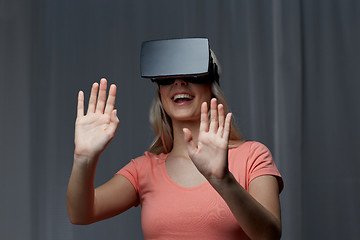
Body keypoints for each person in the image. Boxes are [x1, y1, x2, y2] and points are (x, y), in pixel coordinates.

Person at [67, 38, 283, 240]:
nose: (179, 83)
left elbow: (269, 235)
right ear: (160, 92)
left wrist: (223, 180)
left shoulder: (253, 156)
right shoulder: (144, 170)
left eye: (192, 75)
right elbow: (80, 214)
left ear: (211, 85)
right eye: (167, 78)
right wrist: (83, 158)